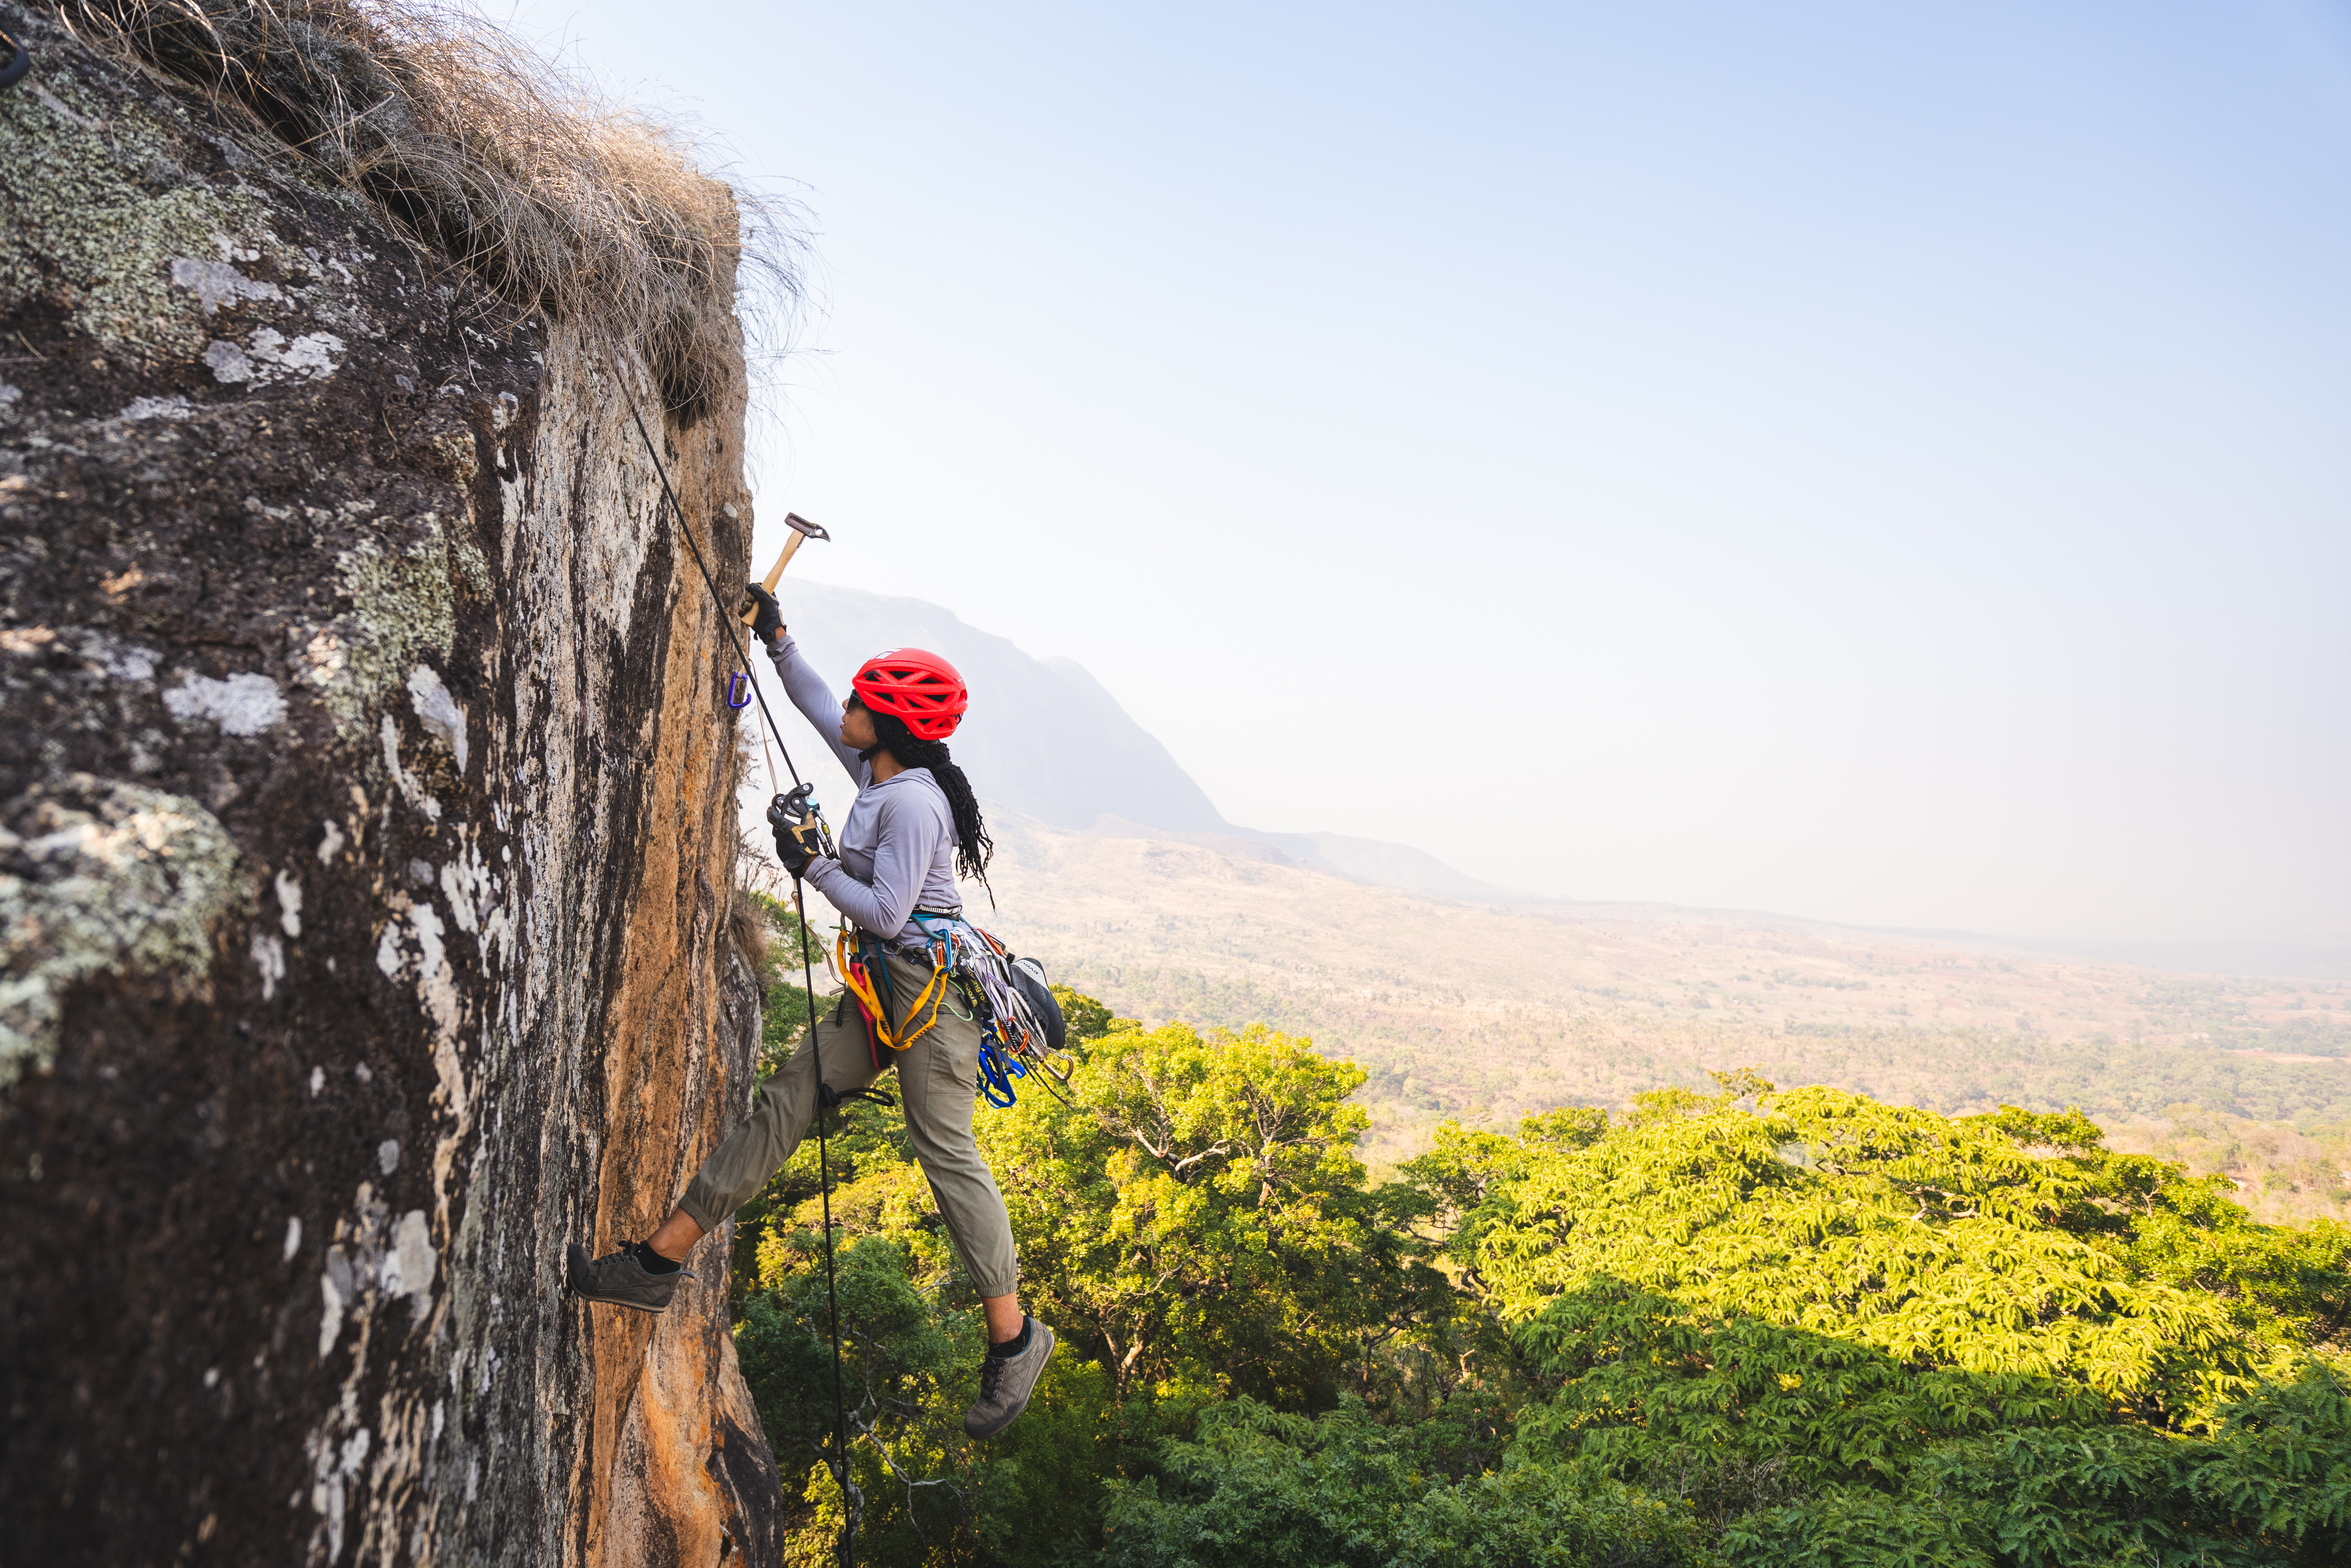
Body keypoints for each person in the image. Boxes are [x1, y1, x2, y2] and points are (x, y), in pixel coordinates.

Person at [567, 583, 1054, 1439]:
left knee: (945, 1152)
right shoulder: (879, 770)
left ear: (890, 726)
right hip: (887, 991)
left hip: (930, 997)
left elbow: (888, 914)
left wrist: (812, 862)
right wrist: (778, 637)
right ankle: (656, 1264)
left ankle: (1014, 1340)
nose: (850, 710)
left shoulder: (911, 802)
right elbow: (817, 703)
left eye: (866, 703)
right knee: (787, 1103)